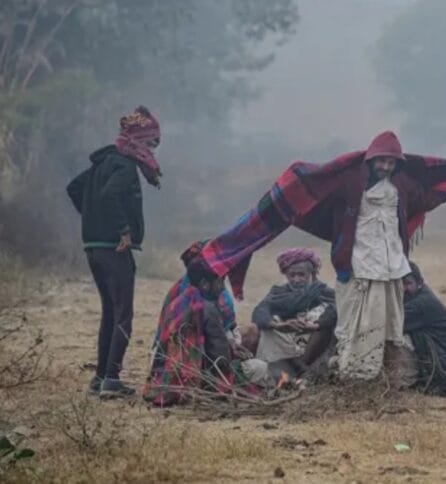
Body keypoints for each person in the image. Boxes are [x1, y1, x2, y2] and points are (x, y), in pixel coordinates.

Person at [189, 130, 446, 385]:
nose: (385, 166)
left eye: (391, 162)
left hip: (391, 267)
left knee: (386, 329)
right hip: (357, 266)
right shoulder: (348, 180)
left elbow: (427, 198)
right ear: (371, 159)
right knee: (355, 327)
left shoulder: (404, 185)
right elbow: (314, 185)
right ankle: (356, 379)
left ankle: (376, 379)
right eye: (381, 161)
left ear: (398, 163)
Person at [66, 106, 163, 398]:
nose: (151, 151)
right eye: (149, 143)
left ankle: (99, 378)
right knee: (123, 314)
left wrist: (92, 221)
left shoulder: (102, 162)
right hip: (113, 248)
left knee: (110, 311)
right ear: (135, 141)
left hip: (93, 248)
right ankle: (111, 379)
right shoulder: (124, 165)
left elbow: (74, 188)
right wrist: (121, 230)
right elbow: (109, 195)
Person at [143, 261, 267, 407]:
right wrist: (235, 358)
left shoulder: (176, 303)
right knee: (260, 367)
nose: (222, 288)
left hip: (168, 379)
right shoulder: (208, 309)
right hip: (201, 381)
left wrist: (231, 347)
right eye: (220, 282)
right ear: (205, 284)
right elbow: (220, 359)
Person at [248, 248, 336, 381]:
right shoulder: (278, 292)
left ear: (312, 274)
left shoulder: (325, 292)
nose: (296, 279)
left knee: (329, 322)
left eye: (302, 275)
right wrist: (278, 325)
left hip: (314, 347)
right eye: (292, 275)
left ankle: (302, 370)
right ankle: (274, 371)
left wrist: (316, 326)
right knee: (259, 326)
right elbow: (260, 311)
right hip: (285, 345)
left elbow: (336, 311)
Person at [402, 262, 446, 397]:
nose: (404, 288)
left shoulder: (420, 304)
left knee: (398, 339)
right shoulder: (419, 296)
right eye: (400, 284)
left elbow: (392, 326)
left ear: (419, 283)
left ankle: (408, 380)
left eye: (408, 283)